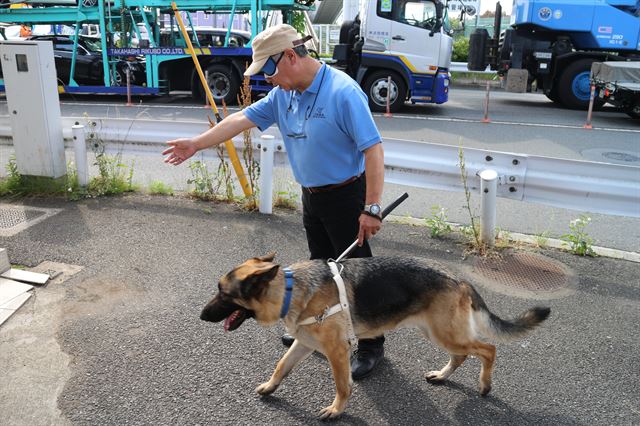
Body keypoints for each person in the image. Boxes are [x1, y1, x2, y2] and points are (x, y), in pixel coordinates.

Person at [162, 24, 386, 380]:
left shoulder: (343, 92)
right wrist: (197, 143)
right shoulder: (286, 94)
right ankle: (320, 329)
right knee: (323, 270)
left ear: (291, 57)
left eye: (268, 69)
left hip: (346, 196)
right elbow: (240, 119)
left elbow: (373, 149)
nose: (267, 79)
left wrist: (371, 207)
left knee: (357, 275)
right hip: (312, 196)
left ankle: (373, 345)